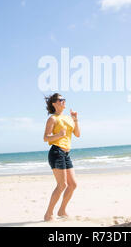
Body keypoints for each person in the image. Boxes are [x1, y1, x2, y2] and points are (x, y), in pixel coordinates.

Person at [43, 93, 80, 221]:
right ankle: (48, 214)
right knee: (62, 185)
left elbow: (77, 134)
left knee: (73, 185)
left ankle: (62, 210)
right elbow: (46, 138)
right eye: (60, 100)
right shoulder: (52, 119)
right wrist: (59, 135)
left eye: (64, 99)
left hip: (66, 153)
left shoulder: (68, 118)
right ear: (54, 103)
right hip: (56, 152)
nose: (63, 101)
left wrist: (75, 119)